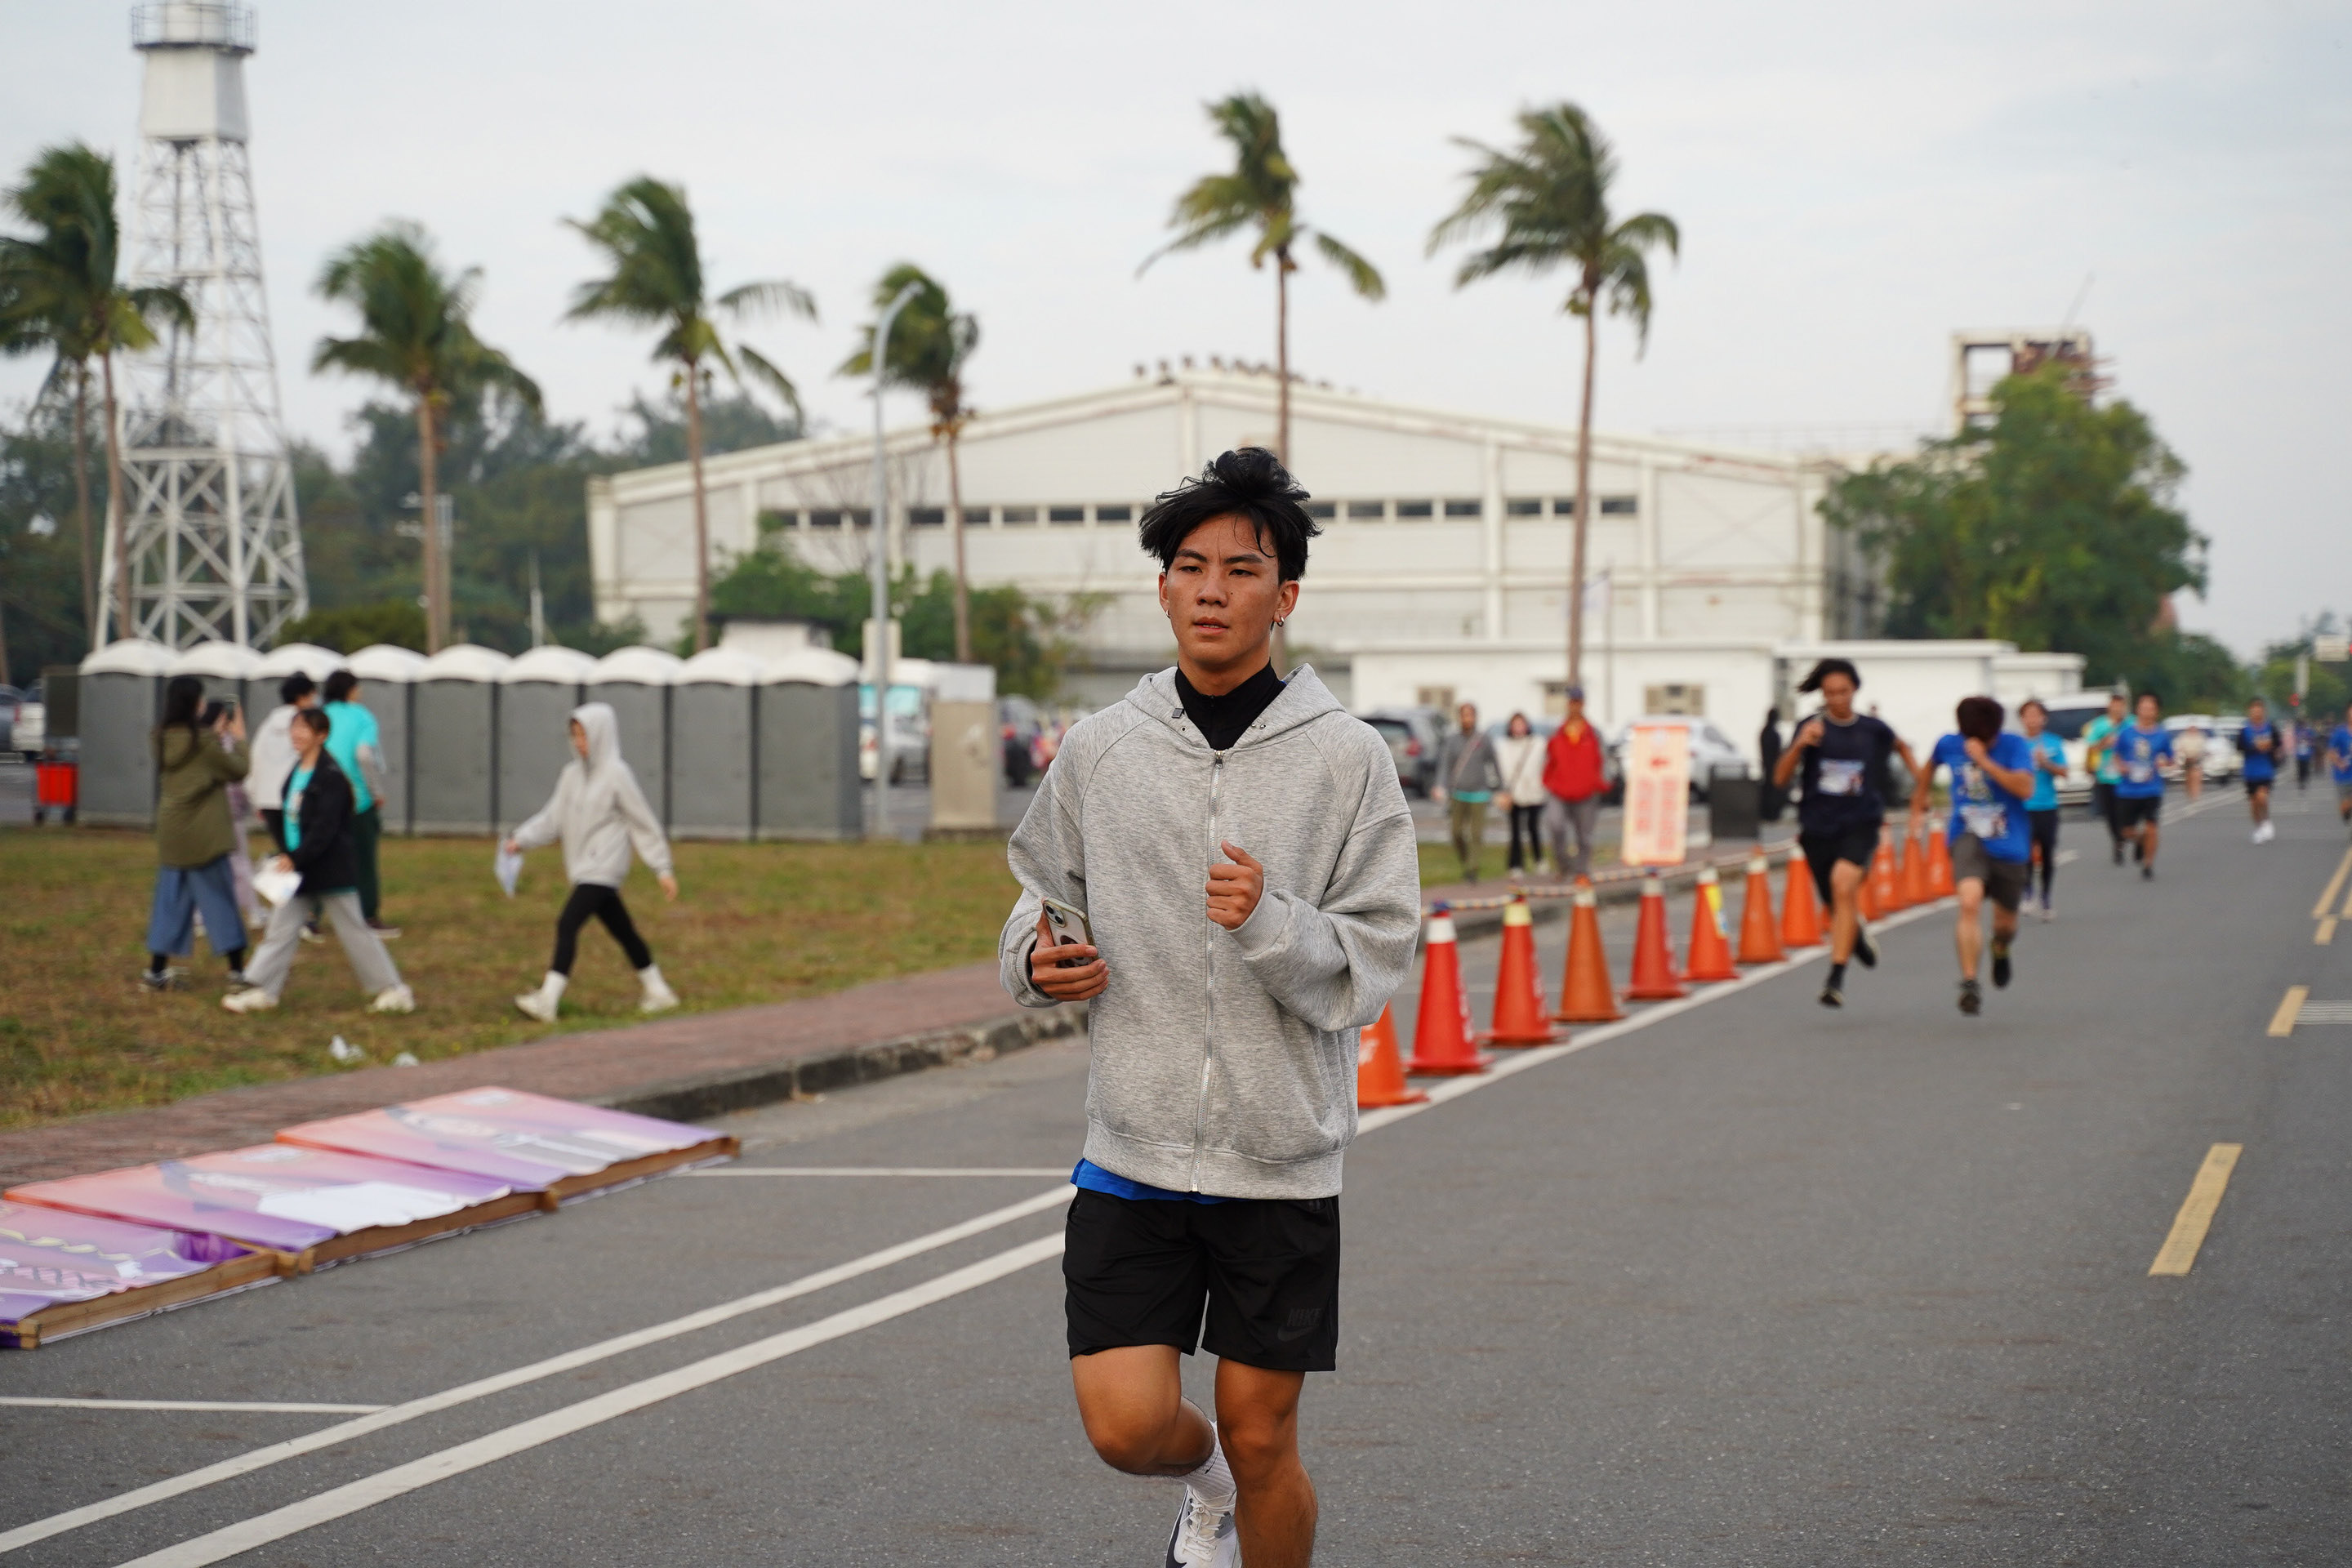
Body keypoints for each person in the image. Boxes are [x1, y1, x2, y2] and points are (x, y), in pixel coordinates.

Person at [999, 448, 1419, 1568]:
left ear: (1286, 596)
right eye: (1191, 567)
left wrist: (1270, 920)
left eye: (1243, 569)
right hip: (1131, 1149)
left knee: (1264, 1431)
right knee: (1128, 1428)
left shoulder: (1349, 761)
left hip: (1277, 1160)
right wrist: (1037, 959)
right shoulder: (1102, 748)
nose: (1213, 590)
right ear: (1163, 588)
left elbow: (1379, 953)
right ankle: (1209, 1487)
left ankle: (1245, 1488)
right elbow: (1041, 896)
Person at [225, 706, 413, 1014]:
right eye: (294, 728)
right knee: (280, 932)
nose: (296, 734)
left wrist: (296, 857)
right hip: (299, 870)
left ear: (321, 736)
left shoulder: (331, 777)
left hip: (329, 871)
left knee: (355, 931)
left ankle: (394, 990)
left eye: (304, 729)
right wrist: (287, 854)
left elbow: (324, 828)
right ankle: (263, 991)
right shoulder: (296, 771)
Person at [506, 703, 681, 1021]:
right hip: (582, 868)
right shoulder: (570, 775)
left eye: (584, 735)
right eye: (574, 735)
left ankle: (548, 999)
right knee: (623, 930)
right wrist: (521, 840)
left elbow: (642, 822)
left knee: (567, 923)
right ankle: (658, 990)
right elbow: (552, 818)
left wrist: (662, 868)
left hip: (604, 867)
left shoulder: (618, 775)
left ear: (601, 735)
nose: (579, 742)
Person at [1772, 657, 1922, 1009]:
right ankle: (1855, 935)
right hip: (1818, 826)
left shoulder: (1873, 729)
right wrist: (1799, 745)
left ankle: (1835, 978)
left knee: (1844, 886)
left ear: (1854, 690)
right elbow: (1779, 779)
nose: (1837, 699)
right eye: (1830, 694)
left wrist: (1921, 787)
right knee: (1836, 902)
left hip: (1861, 822)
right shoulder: (1811, 728)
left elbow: (1902, 747)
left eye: (1843, 692)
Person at [1911, 697, 2038, 1016]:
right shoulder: (1949, 744)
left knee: (2005, 924)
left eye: (1987, 739)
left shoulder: (2014, 746)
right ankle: (1969, 982)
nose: (1979, 743)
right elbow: (1929, 767)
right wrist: (1919, 800)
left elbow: (2026, 789)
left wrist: (1986, 762)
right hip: (1967, 834)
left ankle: (2000, 948)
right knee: (1969, 902)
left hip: (2009, 843)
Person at [144, 675, 251, 991]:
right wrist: (239, 739)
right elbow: (237, 769)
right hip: (205, 834)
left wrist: (212, 736)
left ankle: (156, 971)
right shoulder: (204, 743)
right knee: (220, 901)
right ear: (195, 703)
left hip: (172, 832)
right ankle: (236, 972)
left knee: (170, 902)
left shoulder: (161, 738)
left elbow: (195, 761)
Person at [319, 670, 397, 938]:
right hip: (356, 798)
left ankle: (310, 916)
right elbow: (364, 755)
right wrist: (375, 790)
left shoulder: (321, 715)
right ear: (351, 690)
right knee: (363, 859)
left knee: (320, 855)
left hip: (323, 796)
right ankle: (368, 915)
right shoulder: (362, 716)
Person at [2091, 691, 2174, 880]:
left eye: (2151, 708)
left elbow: (2170, 759)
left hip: (2152, 788)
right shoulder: (2126, 733)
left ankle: (2148, 864)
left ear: (2157, 711)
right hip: (2128, 789)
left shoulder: (2161, 735)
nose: (2147, 712)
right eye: (2143, 708)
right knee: (2125, 830)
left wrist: (2163, 762)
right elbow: (2116, 754)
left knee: (2152, 827)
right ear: (2138, 710)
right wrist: (2122, 767)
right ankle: (2140, 840)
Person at [1541, 686, 1608, 881]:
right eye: (1572, 702)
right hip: (1559, 791)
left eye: (1578, 702)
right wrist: (1547, 782)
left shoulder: (1593, 734)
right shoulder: (1557, 733)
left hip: (1586, 793)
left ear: (1583, 704)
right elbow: (1548, 760)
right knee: (1555, 824)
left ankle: (1581, 870)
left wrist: (1601, 783)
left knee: (1584, 836)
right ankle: (1564, 865)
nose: (1574, 706)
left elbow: (1603, 761)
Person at [247, 672, 317, 853]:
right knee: (302, 853)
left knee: (286, 853)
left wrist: (255, 798)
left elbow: (255, 760)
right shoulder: (305, 725)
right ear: (302, 697)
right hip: (296, 799)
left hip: (268, 800)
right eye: (312, 696)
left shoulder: (267, 725)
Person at [1433, 702, 1502, 884]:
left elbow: (1494, 764)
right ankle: (1466, 862)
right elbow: (1445, 765)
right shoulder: (1452, 740)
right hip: (1458, 793)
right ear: (1460, 717)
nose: (1467, 719)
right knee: (1456, 832)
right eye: (1464, 715)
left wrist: (1500, 788)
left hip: (1480, 793)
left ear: (1475, 717)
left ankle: (1473, 868)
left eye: (1470, 715)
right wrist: (1440, 785)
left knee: (1476, 834)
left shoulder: (1484, 739)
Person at [2019, 698, 2067, 919]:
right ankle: (2027, 892)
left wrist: (2045, 763)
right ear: (2022, 719)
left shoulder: (2053, 742)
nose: (2032, 719)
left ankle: (2046, 897)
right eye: (2027, 715)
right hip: (2022, 806)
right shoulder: (2017, 745)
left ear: (2044, 719)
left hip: (2047, 805)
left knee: (2047, 852)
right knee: (2025, 851)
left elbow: (2064, 772)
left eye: (2036, 715)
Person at [1494, 711, 1548, 880]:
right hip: (1513, 793)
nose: (1519, 728)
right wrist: (1503, 789)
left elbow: (1543, 765)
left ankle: (1539, 859)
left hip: (1534, 792)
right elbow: (1502, 769)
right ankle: (1516, 864)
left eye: (1521, 724)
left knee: (1533, 827)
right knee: (1515, 830)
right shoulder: (1503, 745)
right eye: (1515, 724)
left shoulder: (1537, 743)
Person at [2082, 691, 2129, 865]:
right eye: (2114, 706)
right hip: (2105, 775)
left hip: (2125, 775)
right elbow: (2091, 747)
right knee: (2110, 813)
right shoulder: (2099, 725)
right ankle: (2118, 841)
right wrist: (2104, 743)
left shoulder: (2131, 723)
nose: (2117, 709)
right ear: (2109, 707)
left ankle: (2125, 836)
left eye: (2120, 706)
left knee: (2124, 812)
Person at [2240, 697, 2280, 843]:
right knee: (2253, 804)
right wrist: (2255, 746)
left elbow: (2278, 743)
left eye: (2259, 710)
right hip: (2250, 771)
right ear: (2249, 712)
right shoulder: (2245, 730)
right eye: (2254, 711)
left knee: (2262, 797)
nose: (2257, 713)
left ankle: (2267, 821)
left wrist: (2269, 746)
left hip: (2266, 769)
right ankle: (2259, 827)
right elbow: (2240, 747)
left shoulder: (2270, 728)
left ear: (2264, 712)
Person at [1758, 706, 1786, 822]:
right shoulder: (1772, 733)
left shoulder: (1765, 732)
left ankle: (1768, 813)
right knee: (1773, 792)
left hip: (1768, 765)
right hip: (1773, 766)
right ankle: (1771, 814)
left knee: (1769, 790)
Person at [2331, 701, 2352, 831]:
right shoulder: (2340, 732)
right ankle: (2346, 813)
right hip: (2343, 775)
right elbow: (2331, 752)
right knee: (2345, 807)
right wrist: (2339, 763)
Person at [2176, 718, 2206, 801]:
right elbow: (2180, 748)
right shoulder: (2183, 737)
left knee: (2197, 776)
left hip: (2197, 758)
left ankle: (2196, 794)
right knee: (2188, 777)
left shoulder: (2200, 736)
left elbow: (2202, 747)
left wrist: (2198, 755)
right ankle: (2190, 793)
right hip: (2187, 758)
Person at [2295, 716, 2314, 791]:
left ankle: (2305, 779)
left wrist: (2309, 743)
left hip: (2307, 752)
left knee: (2306, 767)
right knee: (2300, 768)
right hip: (2299, 753)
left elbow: (2312, 740)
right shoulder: (2297, 731)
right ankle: (2301, 782)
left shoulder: (2309, 731)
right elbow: (2295, 740)